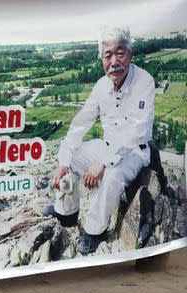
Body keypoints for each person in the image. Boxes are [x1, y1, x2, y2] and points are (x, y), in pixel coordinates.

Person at [47, 26, 155, 254]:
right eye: (108, 55)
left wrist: (103, 163)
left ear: (131, 53)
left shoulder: (144, 82)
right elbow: (79, 124)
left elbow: (139, 131)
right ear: (102, 59)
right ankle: (66, 212)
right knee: (73, 158)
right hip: (106, 147)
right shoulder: (101, 85)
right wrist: (63, 161)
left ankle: (95, 231)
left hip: (134, 152)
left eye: (120, 53)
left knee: (112, 177)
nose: (114, 61)